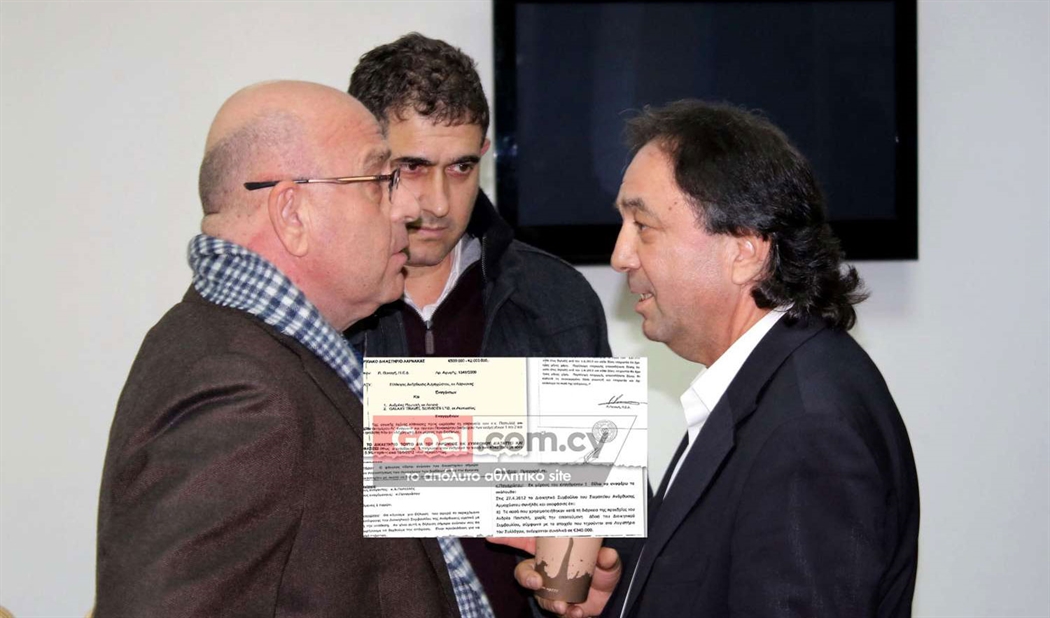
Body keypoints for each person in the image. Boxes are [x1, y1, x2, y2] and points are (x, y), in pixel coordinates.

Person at [507, 100, 920, 618]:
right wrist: (622, 600)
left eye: (643, 225)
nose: (620, 256)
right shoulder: (765, 385)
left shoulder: (808, 429)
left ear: (744, 251)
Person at [96, 80, 487, 617]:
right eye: (379, 181)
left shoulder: (247, 351)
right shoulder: (241, 392)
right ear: (292, 214)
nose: (409, 208)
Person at [345, 34, 612, 618]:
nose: (440, 202)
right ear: (367, 161)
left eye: (462, 167)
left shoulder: (557, 300)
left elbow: (606, 518)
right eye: (413, 167)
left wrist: (602, 580)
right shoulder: (322, 306)